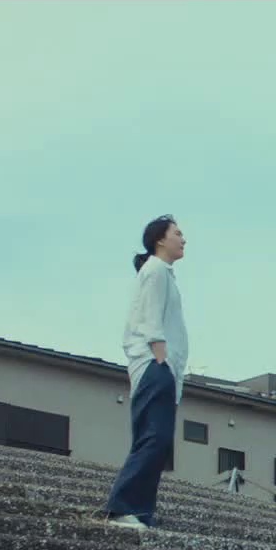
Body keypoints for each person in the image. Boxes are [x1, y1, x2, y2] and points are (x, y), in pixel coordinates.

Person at [104, 214, 189, 532]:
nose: (183, 239)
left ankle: (140, 510)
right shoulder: (155, 270)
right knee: (154, 438)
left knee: (158, 440)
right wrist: (161, 358)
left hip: (162, 368)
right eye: (177, 233)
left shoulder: (162, 273)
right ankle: (122, 508)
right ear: (160, 239)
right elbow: (150, 319)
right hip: (155, 365)